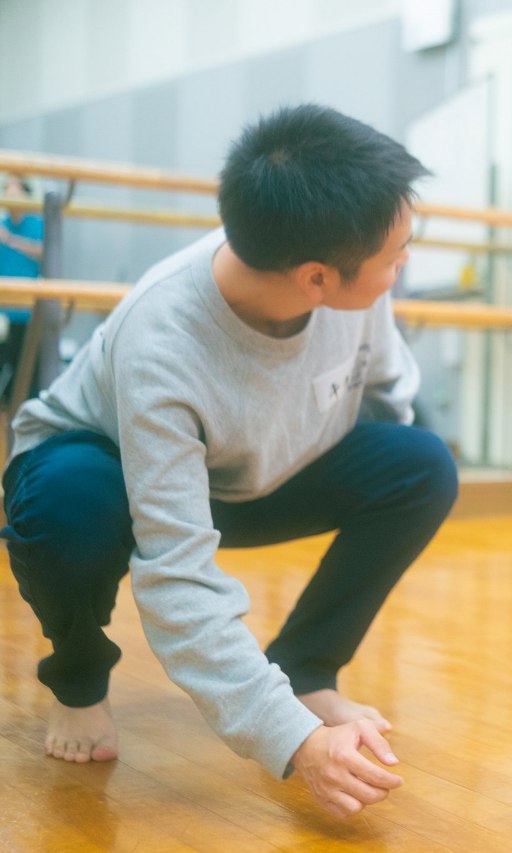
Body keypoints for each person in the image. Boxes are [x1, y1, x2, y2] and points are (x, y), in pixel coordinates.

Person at [1, 105, 458, 819]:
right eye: (397, 254)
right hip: (111, 474)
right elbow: (176, 578)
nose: (404, 264)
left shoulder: (345, 273)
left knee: (422, 463)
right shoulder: (164, 344)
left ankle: (306, 665)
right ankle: (79, 677)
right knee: (71, 501)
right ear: (315, 277)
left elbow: (386, 391)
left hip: (246, 469)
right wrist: (292, 739)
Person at [0, 173, 45, 402]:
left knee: (25, 376)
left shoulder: (37, 224)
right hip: (3, 312)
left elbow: (43, 252)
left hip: (27, 313)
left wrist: (9, 239)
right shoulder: (2, 225)